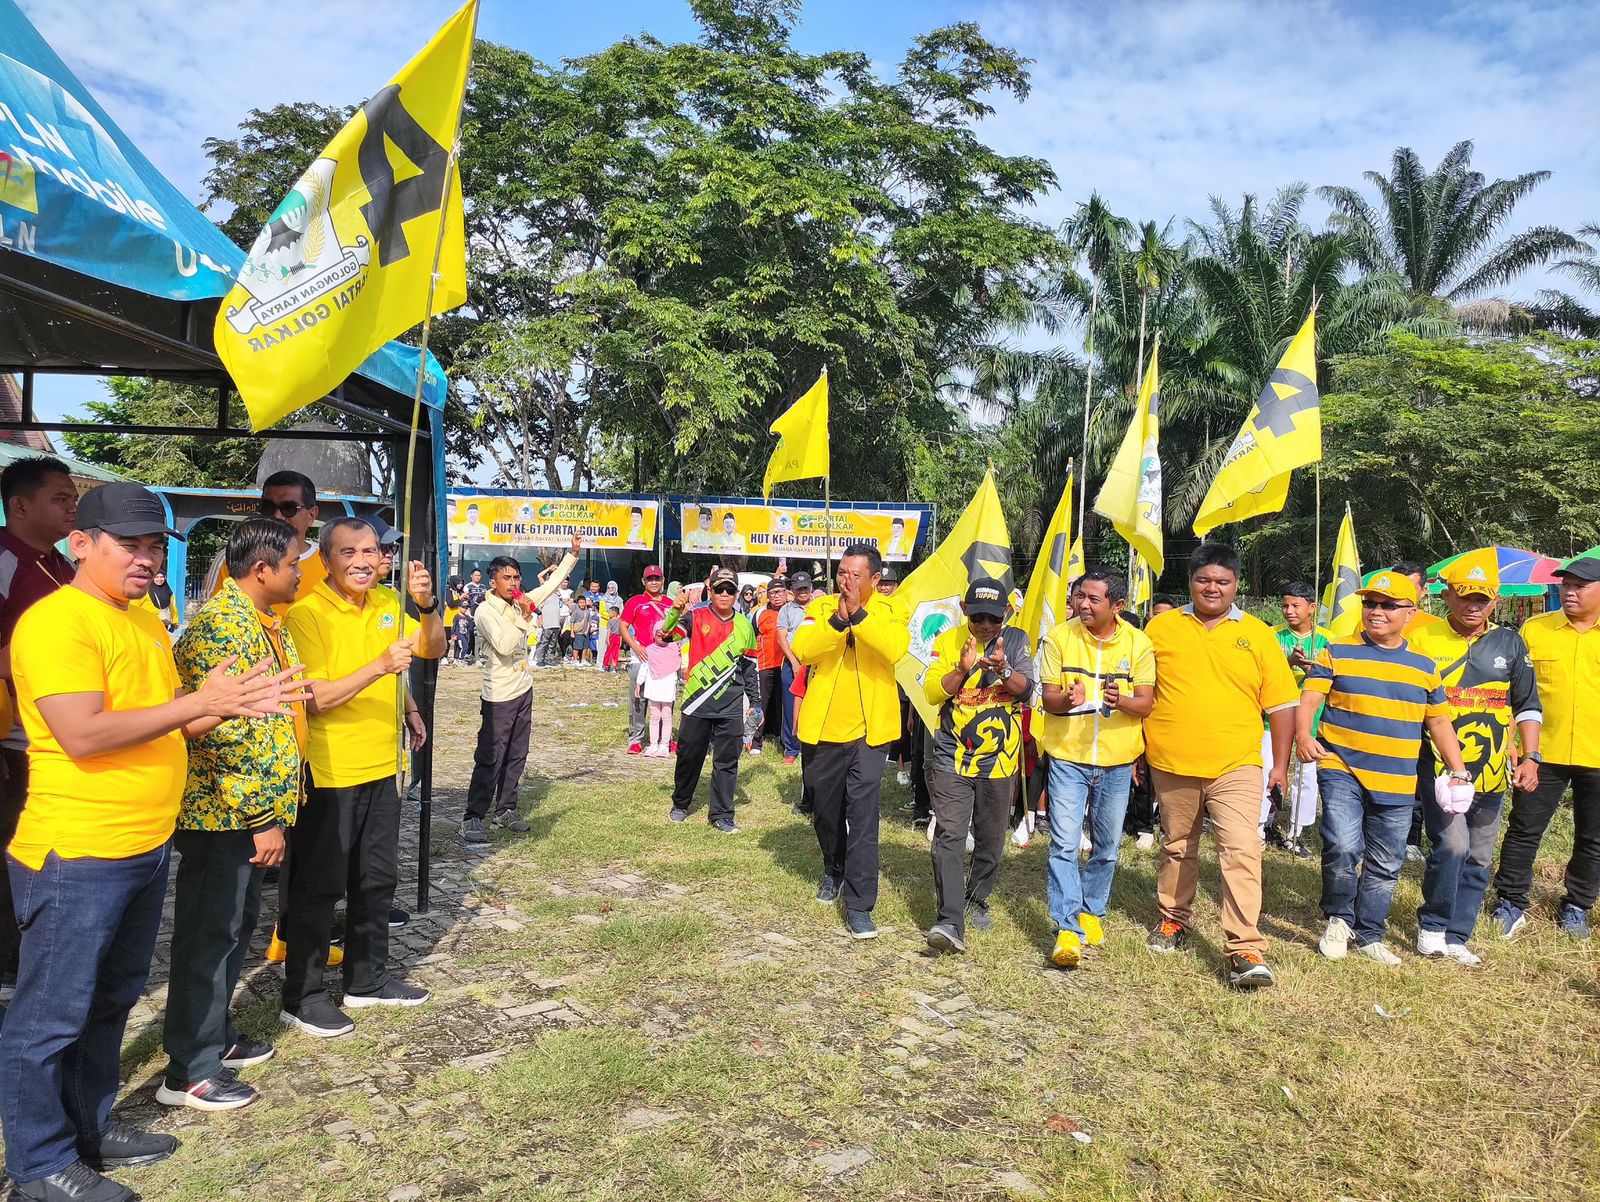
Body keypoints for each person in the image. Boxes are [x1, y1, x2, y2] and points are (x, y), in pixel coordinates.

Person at [1, 484, 300, 1202]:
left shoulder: (138, 622)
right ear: (82, 544)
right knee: (50, 1018)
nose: (144, 559)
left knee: (111, 1002)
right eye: (128, 545)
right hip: (77, 852)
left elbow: (162, 724)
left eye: (152, 546)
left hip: (141, 846)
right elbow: (82, 734)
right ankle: (39, 1166)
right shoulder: (57, 624)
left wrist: (224, 706)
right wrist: (199, 702)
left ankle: (90, 1129)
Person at [160, 519, 312, 1112]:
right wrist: (260, 817)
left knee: (232, 931)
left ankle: (213, 1037)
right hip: (223, 813)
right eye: (295, 563)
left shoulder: (265, 624)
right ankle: (189, 1069)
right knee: (208, 934)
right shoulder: (223, 629)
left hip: (251, 810)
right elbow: (222, 737)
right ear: (262, 571)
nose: (302, 572)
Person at [280, 517, 444, 1037]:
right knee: (320, 886)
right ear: (325, 559)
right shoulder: (306, 615)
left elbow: (431, 648)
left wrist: (427, 608)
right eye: (348, 551)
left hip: (382, 766)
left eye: (370, 550)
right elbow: (316, 697)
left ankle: (366, 981)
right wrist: (378, 666)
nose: (362, 561)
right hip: (329, 771)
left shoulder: (386, 605)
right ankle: (302, 996)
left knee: (376, 881)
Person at [1142, 543, 1299, 989]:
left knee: (1241, 848)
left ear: (1236, 586)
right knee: (1177, 846)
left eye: (1223, 581)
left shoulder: (1259, 635)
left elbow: (1283, 705)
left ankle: (1244, 948)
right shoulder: (1160, 629)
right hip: (1171, 761)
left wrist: (1280, 766)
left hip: (1237, 763)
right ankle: (1174, 920)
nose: (1212, 588)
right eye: (1204, 580)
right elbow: (1141, 689)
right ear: (1190, 581)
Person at [1298, 570, 1471, 965]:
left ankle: (1370, 933)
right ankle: (1339, 919)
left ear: (1410, 613)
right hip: (1341, 766)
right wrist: (1305, 738)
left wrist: (1457, 769)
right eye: (1370, 603)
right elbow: (1309, 700)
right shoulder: (1336, 652)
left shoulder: (1425, 666)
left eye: (1389, 605)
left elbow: (1440, 722)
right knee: (1342, 846)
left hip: (1398, 777)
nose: (1377, 612)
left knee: (1387, 860)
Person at [1409, 557, 1540, 965]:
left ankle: (1457, 935)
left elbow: (1527, 705)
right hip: (1439, 766)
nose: (1473, 606)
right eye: (1464, 596)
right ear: (1447, 595)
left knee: (1480, 855)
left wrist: (1531, 756)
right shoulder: (1423, 639)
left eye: (1482, 599)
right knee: (1452, 845)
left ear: (1495, 600)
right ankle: (1431, 925)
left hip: (1493, 769)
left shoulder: (1511, 643)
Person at [1035, 567, 1156, 968]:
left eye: (1093, 599)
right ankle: (1067, 926)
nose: (1082, 605)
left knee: (1106, 847)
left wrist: (1120, 700)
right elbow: (1048, 699)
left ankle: (1093, 911)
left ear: (1117, 605)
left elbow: (1146, 704)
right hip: (1068, 756)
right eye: (1078, 596)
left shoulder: (1139, 644)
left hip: (1118, 760)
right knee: (1065, 843)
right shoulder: (1059, 638)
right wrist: (1068, 699)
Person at [791, 544, 911, 938]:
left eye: (855, 575)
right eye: (842, 573)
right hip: (823, 730)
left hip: (870, 734)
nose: (846, 581)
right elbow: (804, 649)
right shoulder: (822, 609)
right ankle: (833, 865)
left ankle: (860, 904)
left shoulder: (892, 610)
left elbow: (894, 648)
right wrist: (839, 623)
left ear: (875, 580)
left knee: (862, 816)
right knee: (826, 813)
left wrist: (859, 616)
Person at [921, 578, 1035, 954]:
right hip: (952, 756)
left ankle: (977, 898)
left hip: (1000, 761)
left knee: (991, 837)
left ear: (1005, 613)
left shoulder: (1016, 641)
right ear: (965, 610)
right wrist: (961, 668)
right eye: (978, 617)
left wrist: (1002, 670)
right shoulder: (947, 639)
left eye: (993, 618)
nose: (986, 626)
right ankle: (950, 919)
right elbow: (934, 691)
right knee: (950, 835)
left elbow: (1027, 691)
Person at [1490, 550, 1600, 940]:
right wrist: (1513, 745)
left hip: (1596, 756)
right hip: (1542, 754)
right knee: (1523, 829)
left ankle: (1577, 905)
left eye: (1579, 587)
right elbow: (1511, 694)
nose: (1569, 593)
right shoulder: (1535, 630)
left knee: (1593, 836)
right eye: (1565, 585)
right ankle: (1510, 900)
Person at [0, 455, 77, 1001]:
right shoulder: (4, 559)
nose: (72, 507)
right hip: (14, 737)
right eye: (61, 498)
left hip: (64, 736)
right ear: (20, 505)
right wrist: (42, 659)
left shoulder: (61, 563)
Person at [463, 536, 580, 844]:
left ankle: (506, 810)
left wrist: (572, 556)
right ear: (493, 581)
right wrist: (525, 620)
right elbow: (503, 646)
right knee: (491, 756)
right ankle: (473, 817)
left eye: (516, 577)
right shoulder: (485, 612)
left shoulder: (520, 602)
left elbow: (549, 587)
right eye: (507, 578)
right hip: (499, 695)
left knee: (517, 754)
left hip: (523, 689)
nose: (513, 583)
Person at [664, 568, 761, 832]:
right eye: (720, 589)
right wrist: (675, 611)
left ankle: (721, 814)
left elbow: (750, 666)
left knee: (727, 761)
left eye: (730, 590)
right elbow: (664, 637)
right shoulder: (695, 617)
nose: (725, 595)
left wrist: (756, 702)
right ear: (711, 590)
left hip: (730, 706)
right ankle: (681, 803)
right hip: (697, 703)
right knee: (689, 756)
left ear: (737, 594)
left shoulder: (744, 625)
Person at [1261, 581, 1332, 857]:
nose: (1288, 611)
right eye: (1285, 605)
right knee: (1268, 770)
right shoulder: (1270, 636)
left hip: (1312, 720)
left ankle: (1295, 832)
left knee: (1306, 776)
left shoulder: (1328, 639)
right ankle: (1261, 825)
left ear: (1312, 608)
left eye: (1295, 605)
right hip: (1274, 717)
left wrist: (1316, 669)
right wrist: (1288, 664)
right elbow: (1263, 671)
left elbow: (1334, 676)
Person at [621, 566, 675, 754]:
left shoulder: (670, 604)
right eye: (650, 578)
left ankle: (665, 739)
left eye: (657, 578)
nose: (654, 582)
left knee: (667, 700)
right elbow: (623, 626)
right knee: (638, 698)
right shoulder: (635, 602)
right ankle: (636, 738)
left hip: (665, 660)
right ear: (643, 581)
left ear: (663, 581)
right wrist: (636, 647)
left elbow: (678, 630)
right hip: (641, 658)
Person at [750, 576, 789, 755]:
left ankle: (785, 741)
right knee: (761, 703)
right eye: (772, 593)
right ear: (767, 595)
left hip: (787, 665)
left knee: (784, 705)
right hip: (765, 665)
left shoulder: (792, 610)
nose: (777, 596)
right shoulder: (759, 613)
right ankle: (755, 740)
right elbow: (751, 637)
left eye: (780, 592)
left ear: (786, 593)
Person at [777, 572, 812, 770]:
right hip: (793, 664)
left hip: (815, 663)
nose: (803, 592)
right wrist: (794, 661)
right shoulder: (786, 610)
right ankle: (791, 749)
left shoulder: (819, 607)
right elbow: (782, 638)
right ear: (792, 590)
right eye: (799, 589)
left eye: (806, 588)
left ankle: (810, 743)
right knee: (791, 707)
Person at [639, 621, 682, 756]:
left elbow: (682, 666)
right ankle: (653, 744)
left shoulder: (675, 649)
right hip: (654, 685)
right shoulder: (650, 649)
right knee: (654, 715)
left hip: (668, 684)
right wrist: (639, 683)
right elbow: (644, 667)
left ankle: (664, 744)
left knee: (667, 715)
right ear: (654, 635)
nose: (662, 639)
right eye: (659, 636)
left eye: (665, 636)